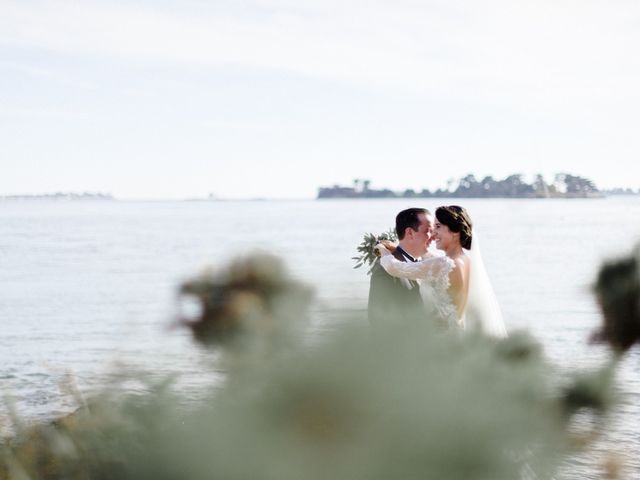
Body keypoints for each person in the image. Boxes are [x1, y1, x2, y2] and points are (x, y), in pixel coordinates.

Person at [375, 205, 507, 338]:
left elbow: (395, 268)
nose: (433, 234)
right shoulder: (463, 260)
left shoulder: (444, 264)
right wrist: (397, 248)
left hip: (441, 338)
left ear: (455, 232)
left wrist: (382, 250)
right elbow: (431, 261)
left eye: (438, 227)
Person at [367, 208, 434, 328]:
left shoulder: (431, 263)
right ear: (410, 233)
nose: (433, 236)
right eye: (428, 231)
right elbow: (378, 320)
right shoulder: (385, 270)